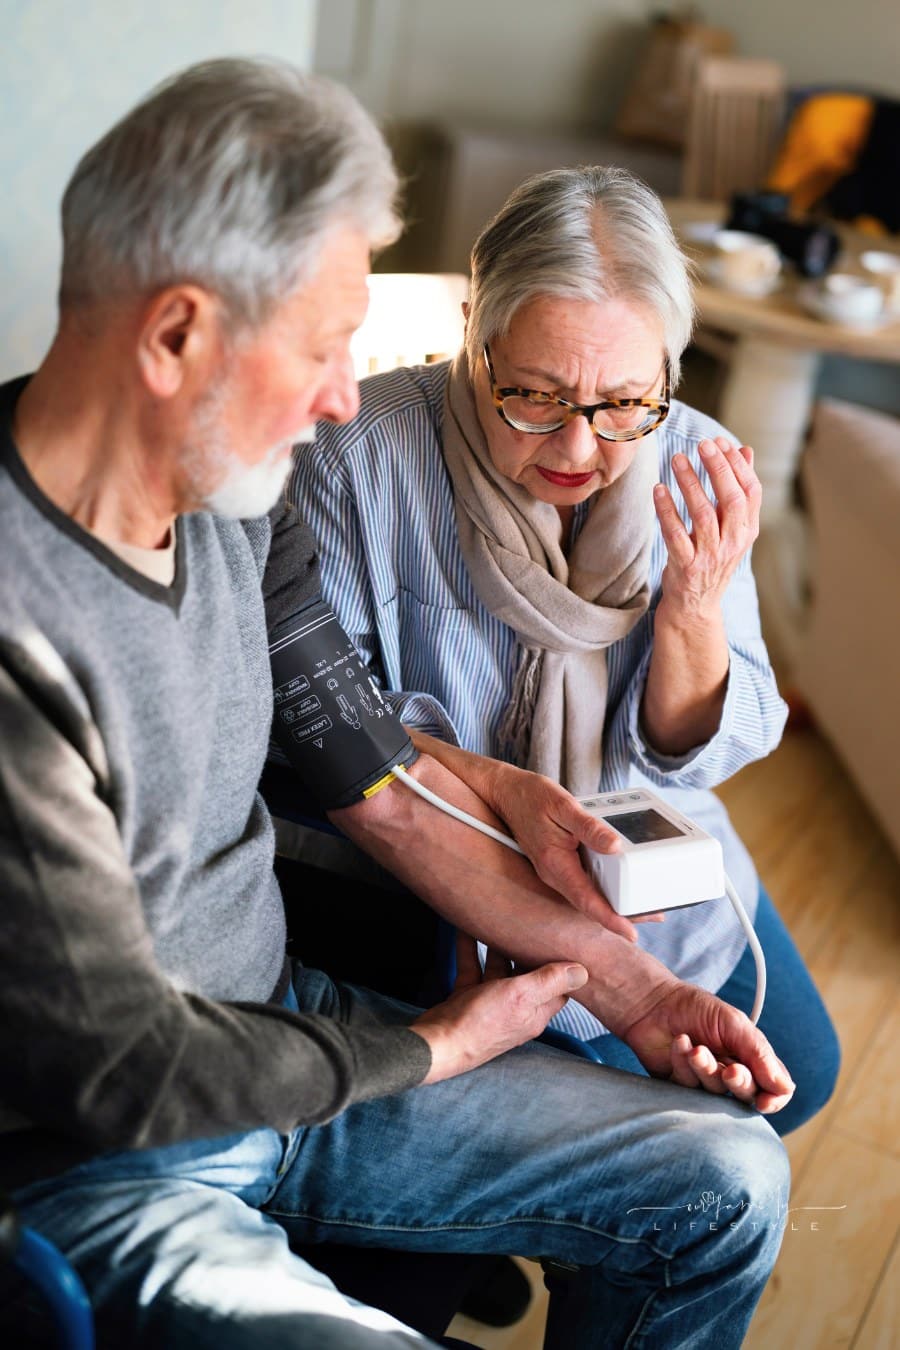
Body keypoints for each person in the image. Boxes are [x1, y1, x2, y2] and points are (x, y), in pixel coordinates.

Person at [1, 58, 795, 1349]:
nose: (340, 396)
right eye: (322, 348)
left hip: (292, 1034)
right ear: (176, 335)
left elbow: (370, 773)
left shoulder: (236, 509)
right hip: (114, 1153)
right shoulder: (20, 628)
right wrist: (431, 1045)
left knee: (728, 1176)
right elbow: (124, 1069)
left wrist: (630, 989)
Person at [289, 165, 840, 1137]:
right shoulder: (357, 456)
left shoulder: (698, 458)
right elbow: (337, 734)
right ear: (477, 340)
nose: (580, 448)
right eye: (534, 396)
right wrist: (496, 803)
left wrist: (694, 608)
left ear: (669, 371)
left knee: (803, 1074)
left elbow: (705, 756)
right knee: (605, 1134)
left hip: (639, 861)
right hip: (433, 873)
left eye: (626, 401)